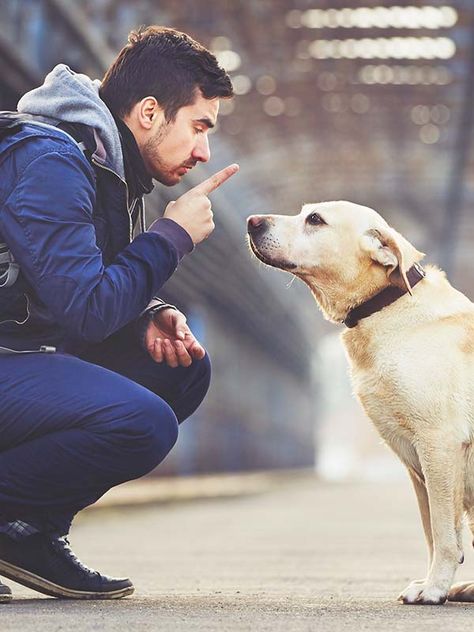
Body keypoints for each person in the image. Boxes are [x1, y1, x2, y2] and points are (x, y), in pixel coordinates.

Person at [0, 25, 238, 601]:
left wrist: (145, 312)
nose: (204, 150)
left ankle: (25, 531)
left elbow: (64, 283)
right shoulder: (52, 161)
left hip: (16, 352)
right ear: (151, 112)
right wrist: (171, 238)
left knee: (178, 369)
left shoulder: (107, 164)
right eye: (199, 126)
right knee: (143, 422)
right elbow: (83, 309)